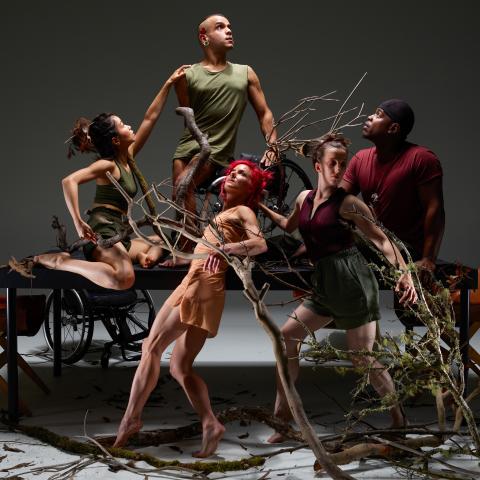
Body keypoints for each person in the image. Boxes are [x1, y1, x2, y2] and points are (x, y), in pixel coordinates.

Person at [258, 134, 417, 443]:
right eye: (333, 163)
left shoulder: (349, 203)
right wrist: (260, 206)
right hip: (325, 285)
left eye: (343, 164)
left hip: (353, 283)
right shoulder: (304, 198)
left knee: (362, 358)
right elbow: (289, 226)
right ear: (318, 165)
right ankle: (283, 418)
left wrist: (405, 274)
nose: (339, 169)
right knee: (286, 338)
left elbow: (382, 240)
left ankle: (399, 417)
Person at [113, 160, 271, 457]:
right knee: (179, 366)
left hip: (199, 286)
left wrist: (225, 250)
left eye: (243, 175)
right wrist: (183, 258)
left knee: (151, 347)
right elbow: (206, 249)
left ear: (252, 188)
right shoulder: (225, 213)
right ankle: (211, 423)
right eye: (233, 171)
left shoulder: (244, 211)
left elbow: (259, 244)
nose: (234, 175)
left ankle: (131, 419)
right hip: (204, 285)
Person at [34, 66, 190, 290]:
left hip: (121, 234)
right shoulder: (106, 165)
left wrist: (168, 84)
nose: (129, 125)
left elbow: (150, 117)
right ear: (116, 140)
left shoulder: (128, 157)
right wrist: (79, 223)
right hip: (102, 233)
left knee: (161, 241)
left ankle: (146, 257)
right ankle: (62, 262)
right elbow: (69, 181)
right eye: (123, 125)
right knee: (124, 278)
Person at [162, 13, 277, 266]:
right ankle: (187, 245)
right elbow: (187, 115)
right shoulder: (188, 74)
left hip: (217, 148)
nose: (228, 31)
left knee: (184, 186)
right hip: (189, 145)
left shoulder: (245, 73)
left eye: (229, 27)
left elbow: (264, 113)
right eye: (220, 27)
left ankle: (188, 250)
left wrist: (273, 145)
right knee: (179, 193)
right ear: (204, 37)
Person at [340, 99, 445, 273]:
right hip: (373, 241)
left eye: (378, 114)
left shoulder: (421, 159)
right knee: (306, 221)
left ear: (393, 128)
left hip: (405, 250)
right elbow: (336, 201)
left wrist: (428, 258)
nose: (370, 117)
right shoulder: (360, 158)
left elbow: (435, 209)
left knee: (340, 237)